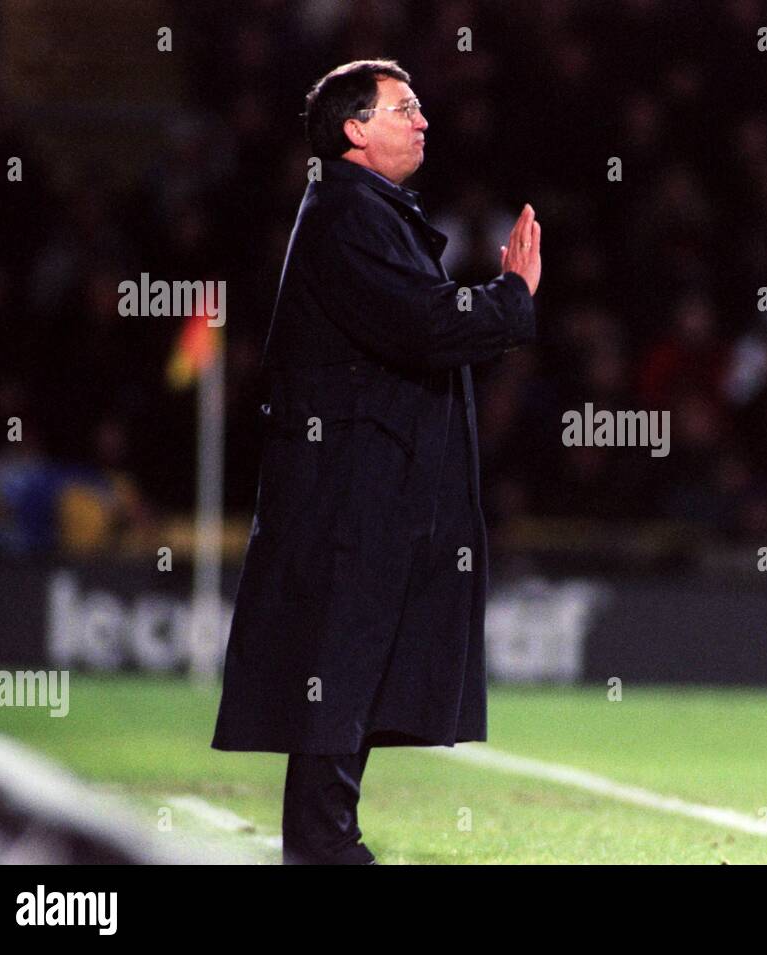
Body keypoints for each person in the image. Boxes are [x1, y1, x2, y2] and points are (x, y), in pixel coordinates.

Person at [210, 59, 541, 864]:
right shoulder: (348, 210)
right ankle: (324, 846)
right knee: (342, 661)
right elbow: (423, 322)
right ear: (355, 129)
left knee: (350, 666)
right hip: (350, 490)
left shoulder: (363, 209)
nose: (423, 121)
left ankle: (328, 840)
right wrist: (511, 296)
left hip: (362, 484)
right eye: (405, 107)